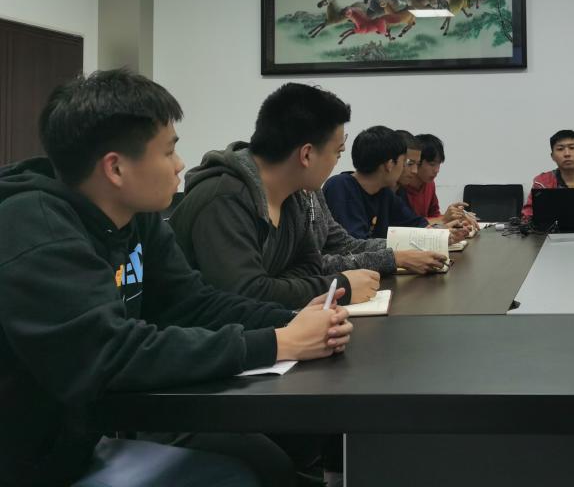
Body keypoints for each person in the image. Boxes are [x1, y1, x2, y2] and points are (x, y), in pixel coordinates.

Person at [0, 70, 351, 487]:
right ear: (115, 168)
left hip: (79, 439)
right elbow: (108, 354)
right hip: (30, 462)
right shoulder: (35, 228)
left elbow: (191, 302)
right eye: (168, 151)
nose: (180, 164)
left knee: (268, 461)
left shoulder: (135, 216)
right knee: (254, 470)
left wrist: (290, 319)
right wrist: (277, 343)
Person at [170, 83, 385, 310]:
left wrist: (273, 288)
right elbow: (243, 295)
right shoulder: (224, 199)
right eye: (337, 152)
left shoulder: (294, 195)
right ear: (307, 155)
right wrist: (341, 286)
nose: (336, 161)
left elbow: (310, 265)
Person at [322, 127, 463, 259]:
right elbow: (355, 248)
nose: (411, 170)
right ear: (390, 164)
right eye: (405, 162)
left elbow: (415, 225)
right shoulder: (340, 187)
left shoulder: (384, 192)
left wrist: (442, 234)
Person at [399, 133, 476, 226]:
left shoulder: (430, 184)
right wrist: (444, 219)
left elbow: (434, 217)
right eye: (432, 164)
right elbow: (408, 223)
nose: (437, 170)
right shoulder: (398, 187)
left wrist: (455, 219)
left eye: (439, 164)